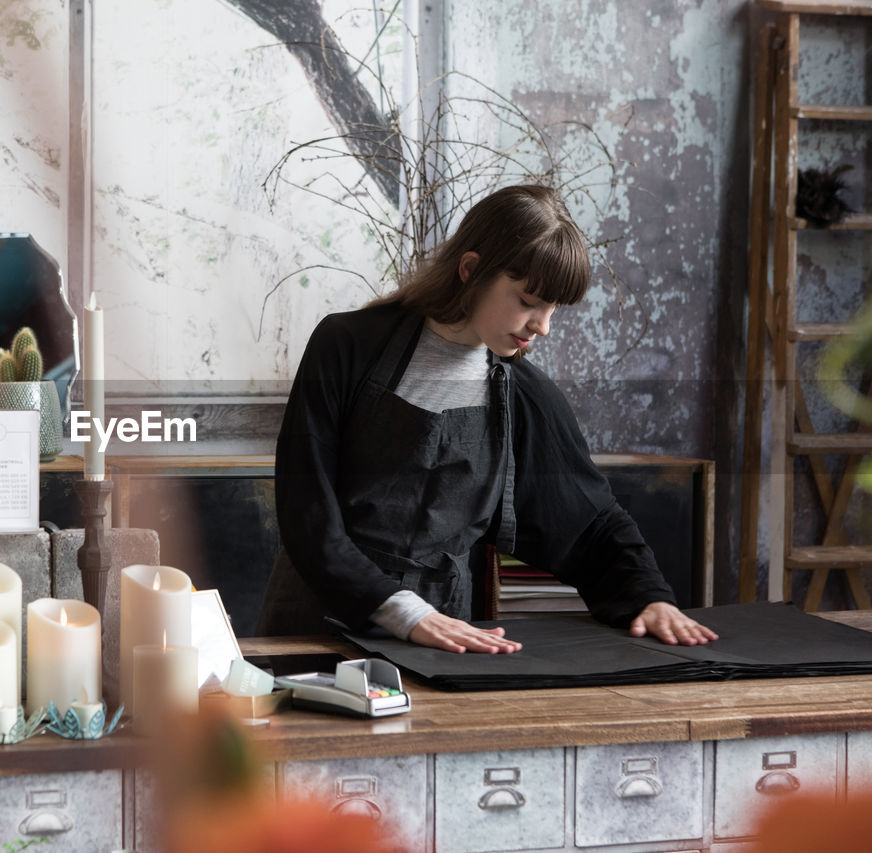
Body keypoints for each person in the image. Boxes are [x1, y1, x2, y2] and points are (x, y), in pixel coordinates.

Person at [257, 184, 717, 653]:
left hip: (446, 639)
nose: (543, 326)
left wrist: (649, 596)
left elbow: (590, 521)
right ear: (471, 269)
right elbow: (307, 513)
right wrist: (404, 611)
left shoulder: (524, 396)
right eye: (528, 300)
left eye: (553, 308)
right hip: (317, 623)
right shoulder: (345, 345)